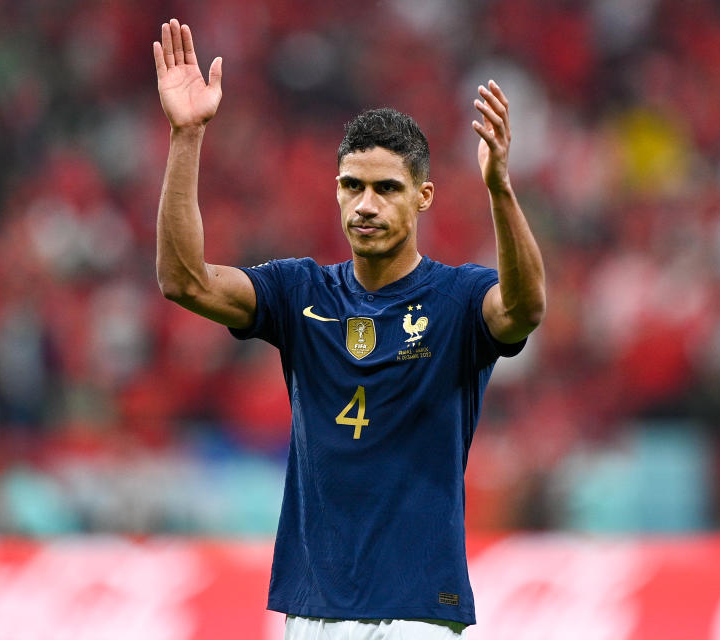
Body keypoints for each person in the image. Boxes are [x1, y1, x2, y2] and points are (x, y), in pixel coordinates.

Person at [152, 18, 545, 639]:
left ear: (424, 197)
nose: (366, 204)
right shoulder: (300, 291)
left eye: (387, 188)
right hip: (312, 606)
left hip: (419, 607)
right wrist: (185, 135)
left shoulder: (457, 299)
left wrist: (499, 190)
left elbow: (524, 310)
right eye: (352, 186)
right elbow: (185, 282)